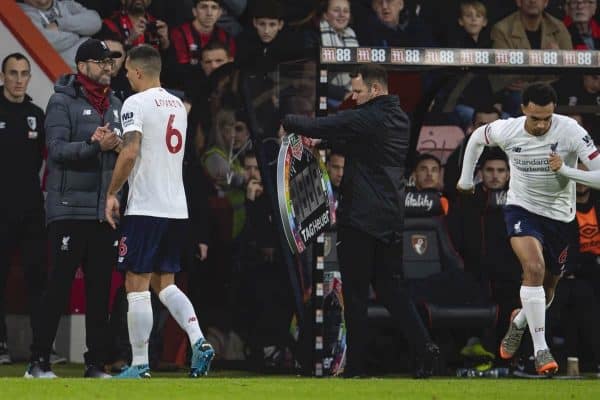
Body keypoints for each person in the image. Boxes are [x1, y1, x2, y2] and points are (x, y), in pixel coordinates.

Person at [282, 64, 439, 378]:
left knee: (354, 294)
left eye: (357, 91)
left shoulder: (370, 116)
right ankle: (426, 349)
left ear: (376, 90)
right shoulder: (398, 117)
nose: (352, 98)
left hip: (361, 218)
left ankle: (356, 367)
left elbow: (321, 125)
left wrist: (286, 120)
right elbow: (354, 141)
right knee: (391, 289)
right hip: (391, 215)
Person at [457, 82, 600, 375]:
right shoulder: (508, 129)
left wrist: (566, 171)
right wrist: (466, 180)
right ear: (523, 110)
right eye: (535, 118)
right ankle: (540, 350)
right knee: (533, 268)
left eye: (547, 118)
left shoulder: (571, 131)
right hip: (521, 208)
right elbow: (475, 139)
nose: (542, 124)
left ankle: (520, 320)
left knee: (547, 291)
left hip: (560, 217)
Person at [104, 44, 214, 379]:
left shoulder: (135, 102)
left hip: (146, 206)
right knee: (164, 283)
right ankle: (198, 339)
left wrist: (111, 193)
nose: (126, 77)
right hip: (175, 207)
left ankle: (139, 365)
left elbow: (134, 150)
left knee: (135, 283)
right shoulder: (177, 105)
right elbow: (156, 147)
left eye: (127, 72)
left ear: (138, 72)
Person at [25, 39, 124, 379]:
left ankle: (94, 364)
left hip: (102, 213)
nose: (107, 67)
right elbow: (55, 151)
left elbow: (122, 155)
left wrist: (121, 147)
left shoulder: (116, 104)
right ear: (82, 66)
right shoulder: (61, 101)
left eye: (109, 61)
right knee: (58, 287)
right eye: (100, 62)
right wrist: (93, 145)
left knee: (100, 293)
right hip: (68, 209)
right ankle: (38, 362)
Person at [0, 53, 47, 365]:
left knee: (37, 278)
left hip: (31, 208)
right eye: (13, 73)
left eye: (24, 74)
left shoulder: (36, 113)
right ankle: (1, 344)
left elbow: (43, 161)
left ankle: (41, 348)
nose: (18, 79)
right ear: (3, 76)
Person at [19, 0, 102, 70]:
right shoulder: (23, 13)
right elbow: (45, 43)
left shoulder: (65, 4)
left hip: (94, 61)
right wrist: (78, 33)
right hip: (66, 71)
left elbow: (96, 22)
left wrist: (60, 24)